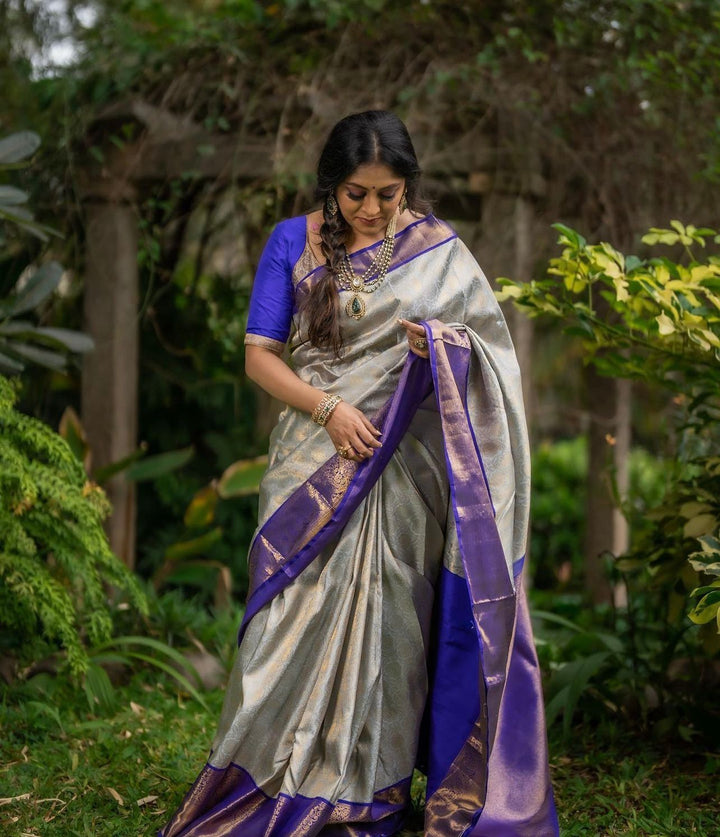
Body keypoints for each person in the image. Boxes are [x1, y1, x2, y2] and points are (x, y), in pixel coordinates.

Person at [160, 110, 558, 837]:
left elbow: (489, 353)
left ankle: (366, 795)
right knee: (282, 629)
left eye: (389, 193)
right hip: (313, 460)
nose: (372, 209)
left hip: (402, 469)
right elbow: (259, 356)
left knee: (390, 634)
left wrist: (438, 345)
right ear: (330, 186)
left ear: (409, 186)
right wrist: (329, 411)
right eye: (355, 194)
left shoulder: (438, 251)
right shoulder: (293, 240)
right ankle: (266, 775)